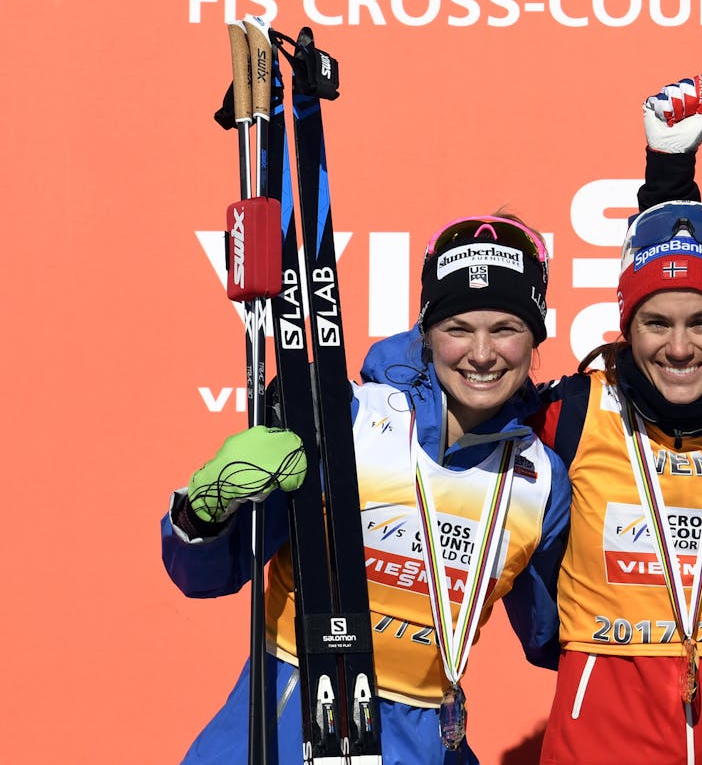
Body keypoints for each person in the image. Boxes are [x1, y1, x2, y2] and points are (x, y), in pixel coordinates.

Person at [161, 215, 570, 764]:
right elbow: (209, 574)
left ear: (536, 335)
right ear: (426, 332)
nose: (481, 354)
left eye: (505, 329)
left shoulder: (540, 478)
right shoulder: (346, 418)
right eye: (458, 328)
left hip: (424, 743)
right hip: (288, 725)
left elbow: (559, 636)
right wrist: (206, 510)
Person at [529, 77, 702, 765]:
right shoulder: (574, 413)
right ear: (626, 328)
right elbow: (458, 399)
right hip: (602, 717)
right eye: (655, 323)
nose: (680, 346)